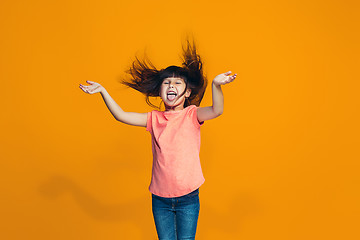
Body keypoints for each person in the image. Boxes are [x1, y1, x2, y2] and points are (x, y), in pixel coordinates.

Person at [79, 38, 236, 240]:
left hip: (188, 198)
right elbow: (121, 115)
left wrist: (216, 84)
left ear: (187, 92)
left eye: (177, 82)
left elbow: (217, 109)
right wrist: (103, 91)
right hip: (160, 199)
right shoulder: (153, 118)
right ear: (160, 91)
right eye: (166, 83)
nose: (171, 85)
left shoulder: (192, 115)